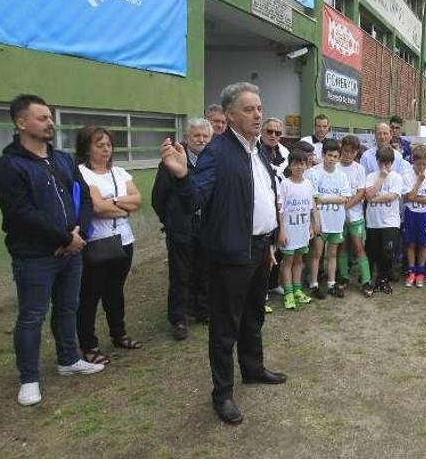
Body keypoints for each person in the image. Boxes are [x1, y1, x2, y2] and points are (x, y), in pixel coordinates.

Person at [159, 82, 286, 425]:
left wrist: (270, 244)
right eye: (249, 109)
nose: (258, 114)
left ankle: (253, 368)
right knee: (225, 327)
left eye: (259, 108)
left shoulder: (259, 150)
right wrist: (183, 175)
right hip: (230, 253)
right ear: (230, 115)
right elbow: (195, 199)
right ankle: (223, 394)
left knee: (253, 315)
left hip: (260, 248)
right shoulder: (217, 151)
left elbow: (263, 197)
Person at [0, 94, 103, 406]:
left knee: (68, 308)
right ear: (21, 122)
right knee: (32, 316)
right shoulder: (8, 166)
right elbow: (21, 214)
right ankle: (29, 378)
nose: (50, 122)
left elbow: (84, 196)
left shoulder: (63, 159)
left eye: (50, 117)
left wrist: (78, 233)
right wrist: (63, 239)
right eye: (42, 118)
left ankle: (68, 359)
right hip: (36, 257)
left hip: (72, 250)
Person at [75, 125, 143, 364]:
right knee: (90, 295)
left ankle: (119, 334)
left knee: (115, 291)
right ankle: (88, 344)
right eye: (99, 144)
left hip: (124, 241)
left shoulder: (120, 172)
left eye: (108, 145)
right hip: (97, 242)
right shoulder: (82, 173)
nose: (105, 149)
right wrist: (122, 209)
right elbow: (95, 207)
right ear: (86, 147)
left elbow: (138, 200)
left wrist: (112, 202)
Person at [152, 118, 213, 340]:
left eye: (206, 136)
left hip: (206, 227)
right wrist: (169, 222)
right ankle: (178, 319)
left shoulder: (213, 162)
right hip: (181, 227)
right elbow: (158, 198)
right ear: (187, 138)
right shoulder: (171, 162)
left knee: (204, 270)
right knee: (180, 274)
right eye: (196, 136)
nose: (201, 140)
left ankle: (202, 311)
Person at [306, 139, 351, 299]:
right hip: (319, 221)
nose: (331, 158)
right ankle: (314, 284)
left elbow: (345, 198)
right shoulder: (314, 173)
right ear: (323, 155)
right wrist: (333, 198)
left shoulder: (342, 175)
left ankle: (331, 284)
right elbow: (312, 199)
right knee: (317, 253)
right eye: (329, 155)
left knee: (332, 254)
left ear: (339, 158)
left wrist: (323, 199)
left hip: (336, 221)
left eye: (335, 156)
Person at [335, 135, 374, 297]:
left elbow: (361, 193)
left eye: (351, 152)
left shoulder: (359, 169)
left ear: (356, 152)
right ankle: (343, 277)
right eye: (345, 151)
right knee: (342, 247)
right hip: (337, 216)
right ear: (341, 149)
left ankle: (366, 280)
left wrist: (345, 207)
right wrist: (340, 210)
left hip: (355, 215)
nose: (347, 154)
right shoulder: (335, 167)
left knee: (358, 247)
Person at [279, 151, 317, 309]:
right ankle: (288, 294)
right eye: (295, 163)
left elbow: (310, 207)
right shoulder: (285, 184)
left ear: (306, 165)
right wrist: (281, 230)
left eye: (302, 163)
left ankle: (297, 290)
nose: (299, 167)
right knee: (287, 262)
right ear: (290, 166)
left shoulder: (308, 184)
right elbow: (280, 209)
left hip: (302, 230)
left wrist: (311, 225)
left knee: (299, 261)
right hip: (289, 230)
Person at [364, 147, 405, 294]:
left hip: (390, 222)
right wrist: (381, 177)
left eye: (387, 163)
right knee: (373, 252)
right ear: (377, 161)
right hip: (373, 222)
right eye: (382, 162)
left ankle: (384, 279)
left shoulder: (397, 177)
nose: (384, 166)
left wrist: (374, 197)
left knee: (388, 251)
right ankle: (373, 279)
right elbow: (368, 194)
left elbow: (392, 196)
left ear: (392, 162)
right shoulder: (370, 177)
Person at [402, 145, 426, 287]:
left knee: (424, 244)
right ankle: (411, 271)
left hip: (425, 214)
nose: (421, 167)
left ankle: (421, 272)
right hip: (411, 213)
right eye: (418, 164)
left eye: (424, 164)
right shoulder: (407, 175)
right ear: (413, 162)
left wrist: (414, 197)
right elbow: (407, 198)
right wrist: (418, 182)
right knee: (411, 243)